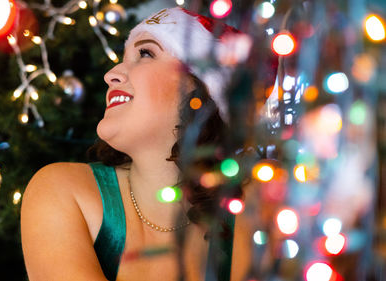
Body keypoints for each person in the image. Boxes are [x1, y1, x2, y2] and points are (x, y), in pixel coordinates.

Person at [21, 7, 251, 281]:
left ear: (201, 88)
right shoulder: (62, 190)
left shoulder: (253, 202)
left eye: (145, 53)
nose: (111, 74)